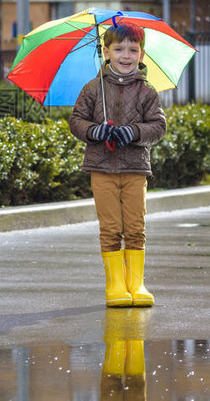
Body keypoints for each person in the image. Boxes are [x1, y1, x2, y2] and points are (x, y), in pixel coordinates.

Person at [69, 22, 166, 307]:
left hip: (135, 169)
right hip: (102, 170)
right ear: (106, 52)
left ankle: (136, 283)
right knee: (111, 227)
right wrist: (95, 131)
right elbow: (77, 121)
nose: (126, 55)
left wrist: (133, 132)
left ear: (141, 54)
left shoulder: (147, 91)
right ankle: (115, 285)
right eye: (119, 49)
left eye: (132, 50)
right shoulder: (92, 89)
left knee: (135, 227)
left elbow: (158, 126)